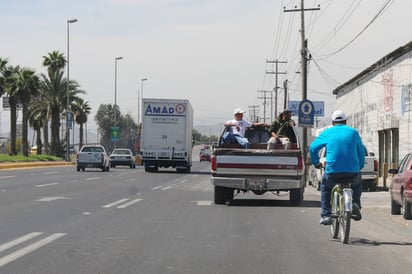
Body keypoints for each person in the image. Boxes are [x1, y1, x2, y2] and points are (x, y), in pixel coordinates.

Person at [309, 109, 365, 225]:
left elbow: (313, 148)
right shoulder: (353, 132)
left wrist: (316, 163)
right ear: (345, 121)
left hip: (333, 172)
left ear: (333, 122)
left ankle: (326, 214)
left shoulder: (327, 132)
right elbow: (361, 152)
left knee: (326, 187)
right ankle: (355, 203)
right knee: (358, 183)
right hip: (352, 172)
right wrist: (359, 166)